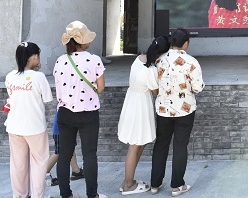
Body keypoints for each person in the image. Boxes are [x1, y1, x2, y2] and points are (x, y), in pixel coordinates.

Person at [54, 20, 107, 198]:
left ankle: (66, 194)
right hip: (88, 113)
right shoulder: (94, 60)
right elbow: (100, 88)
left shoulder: (60, 61)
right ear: (82, 41)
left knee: (64, 155)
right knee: (89, 155)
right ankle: (92, 195)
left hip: (65, 113)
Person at [151, 29, 204, 197]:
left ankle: (155, 184)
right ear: (186, 43)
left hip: (163, 109)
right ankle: (177, 186)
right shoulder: (191, 62)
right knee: (180, 146)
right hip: (184, 109)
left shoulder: (158, 60)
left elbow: (154, 85)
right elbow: (197, 87)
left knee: (161, 144)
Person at [118, 36, 170, 195]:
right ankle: (128, 185)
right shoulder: (151, 70)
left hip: (132, 101)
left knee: (138, 143)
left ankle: (129, 180)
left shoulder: (139, 59)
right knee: (135, 145)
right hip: (140, 106)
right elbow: (156, 91)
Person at [5, 42, 53, 198]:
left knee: (18, 164)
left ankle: (20, 195)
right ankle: (37, 196)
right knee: (39, 163)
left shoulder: (10, 77)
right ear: (34, 57)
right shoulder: (39, 77)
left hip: (14, 126)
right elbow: (47, 99)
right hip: (35, 127)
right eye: (38, 56)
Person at [46, 108, 84, 186]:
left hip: (65, 130)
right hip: (61, 131)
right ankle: (43, 174)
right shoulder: (65, 103)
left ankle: (76, 171)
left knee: (71, 148)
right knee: (59, 152)